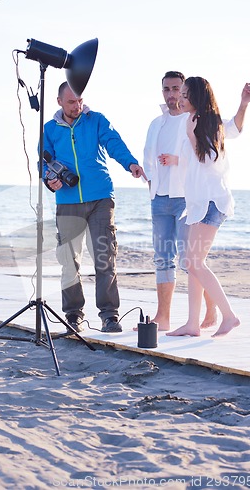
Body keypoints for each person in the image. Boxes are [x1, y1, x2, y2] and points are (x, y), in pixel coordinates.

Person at [43, 81, 147, 333]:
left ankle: (110, 315)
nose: (77, 106)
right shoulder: (48, 129)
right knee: (69, 261)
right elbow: (42, 161)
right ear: (59, 102)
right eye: (71, 102)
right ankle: (73, 315)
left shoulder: (96, 120)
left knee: (104, 257)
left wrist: (130, 163)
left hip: (101, 197)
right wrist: (50, 179)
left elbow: (114, 142)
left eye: (79, 101)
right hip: (67, 202)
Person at [164, 77, 250, 337]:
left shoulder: (207, 122)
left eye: (184, 94)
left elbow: (209, 158)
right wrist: (176, 158)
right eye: (179, 94)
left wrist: (244, 104)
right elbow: (194, 161)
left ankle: (229, 316)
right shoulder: (190, 120)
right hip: (197, 203)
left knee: (194, 262)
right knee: (193, 264)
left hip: (211, 201)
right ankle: (193, 324)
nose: (180, 98)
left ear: (197, 96)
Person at [143, 71, 217, 332]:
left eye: (176, 89)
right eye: (167, 89)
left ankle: (210, 308)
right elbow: (147, 157)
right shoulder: (156, 123)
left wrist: (177, 161)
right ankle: (163, 318)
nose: (171, 94)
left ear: (184, 90)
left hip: (186, 198)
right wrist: (150, 179)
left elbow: (204, 157)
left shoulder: (193, 118)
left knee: (191, 259)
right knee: (162, 258)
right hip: (158, 198)